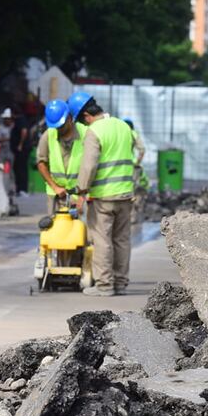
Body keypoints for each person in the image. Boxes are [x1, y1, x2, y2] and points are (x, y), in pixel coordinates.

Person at [71, 91, 135, 297]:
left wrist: (81, 189)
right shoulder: (123, 126)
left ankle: (105, 286)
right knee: (122, 239)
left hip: (103, 197)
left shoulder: (94, 131)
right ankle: (121, 283)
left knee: (102, 240)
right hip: (125, 194)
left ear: (86, 117)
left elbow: (89, 165)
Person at [35, 99, 86, 215]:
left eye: (61, 126)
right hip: (57, 196)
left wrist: (84, 193)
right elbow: (41, 163)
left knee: (80, 231)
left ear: (69, 118)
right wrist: (55, 187)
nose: (58, 129)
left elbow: (92, 165)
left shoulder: (85, 133)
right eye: (56, 126)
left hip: (80, 195)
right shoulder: (48, 135)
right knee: (55, 231)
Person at [122, 117, 149, 224]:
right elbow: (142, 149)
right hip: (131, 166)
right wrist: (137, 162)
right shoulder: (133, 133)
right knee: (132, 192)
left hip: (118, 167)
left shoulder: (119, 134)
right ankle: (132, 217)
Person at [10, 109, 30, 197]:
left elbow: (24, 131)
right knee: (17, 169)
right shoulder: (17, 121)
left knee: (21, 169)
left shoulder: (21, 120)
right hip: (18, 149)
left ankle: (23, 189)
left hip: (21, 150)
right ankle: (18, 189)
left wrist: (20, 144)